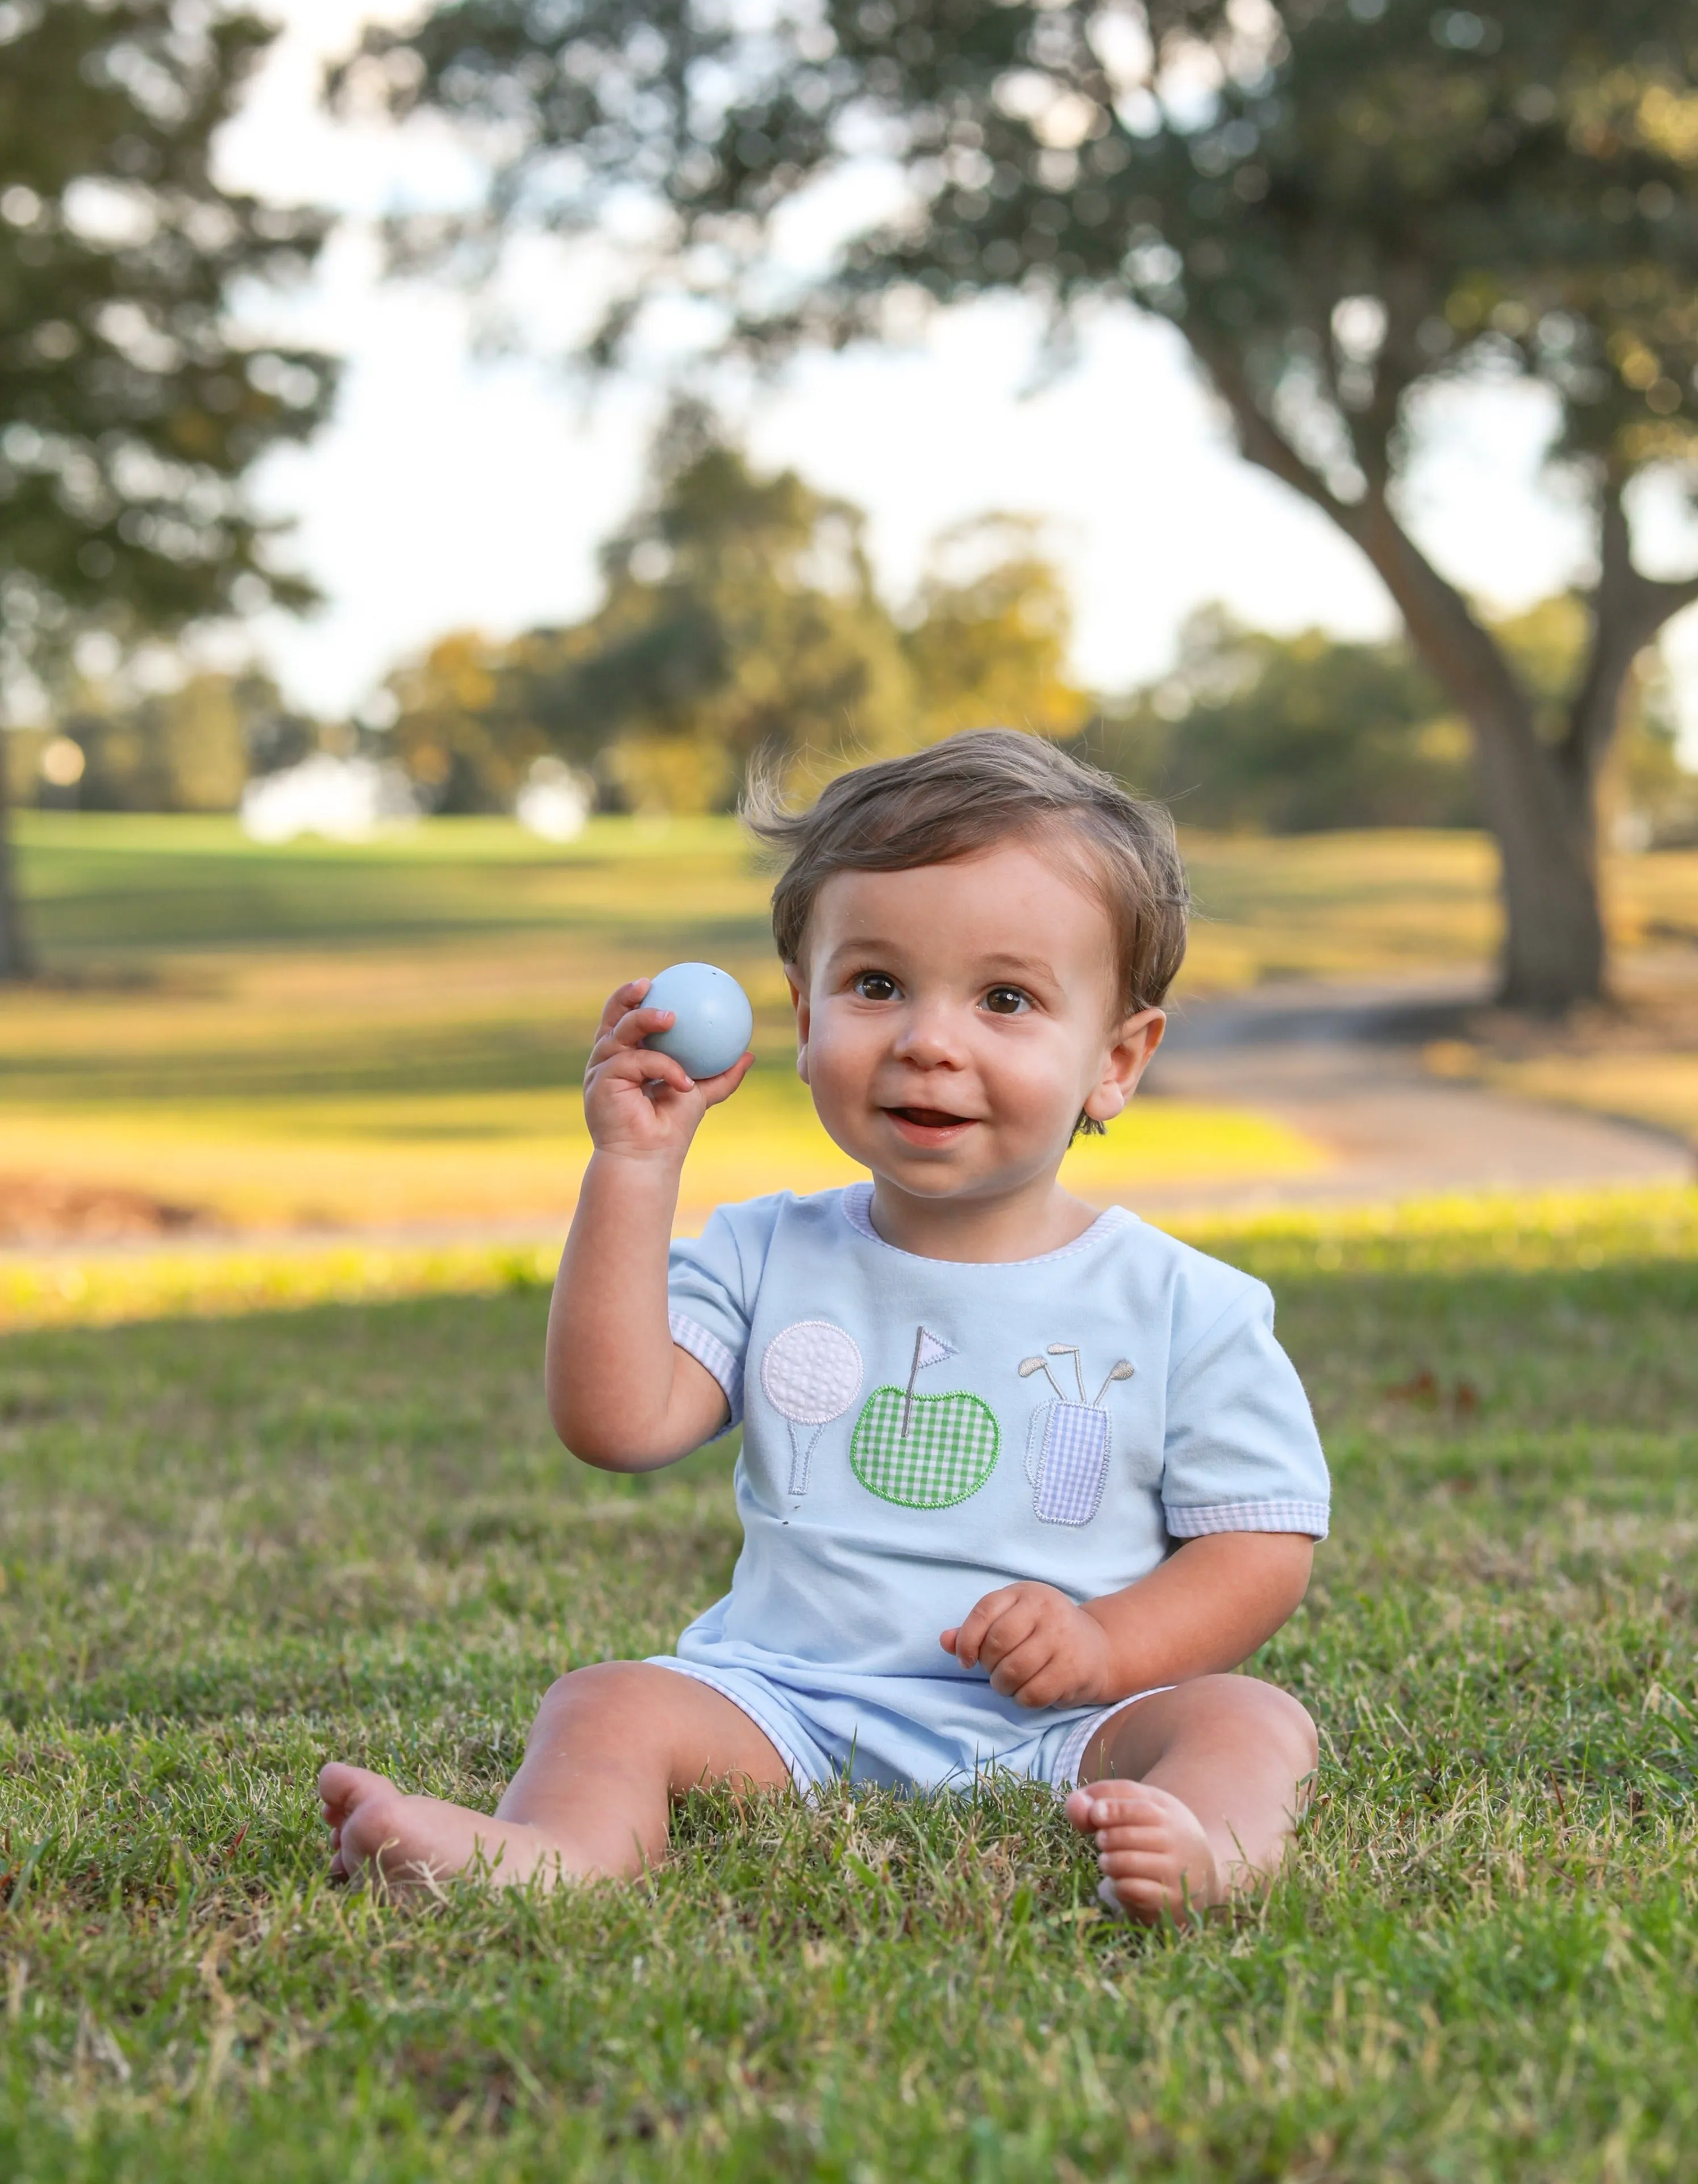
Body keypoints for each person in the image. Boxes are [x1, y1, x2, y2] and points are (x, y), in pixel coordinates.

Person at [321, 731, 1327, 1923]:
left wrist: (1107, 1648)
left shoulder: (1182, 1304)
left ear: (1117, 1059)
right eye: (878, 986)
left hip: (1070, 1726)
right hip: (783, 1705)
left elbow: (1259, 1543)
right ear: (804, 1017)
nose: (928, 1040)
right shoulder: (764, 1253)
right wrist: (636, 1171)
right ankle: (559, 1857)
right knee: (607, 1702)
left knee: (1255, 1719)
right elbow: (616, 1422)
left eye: (1006, 999)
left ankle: (1211, 1852)